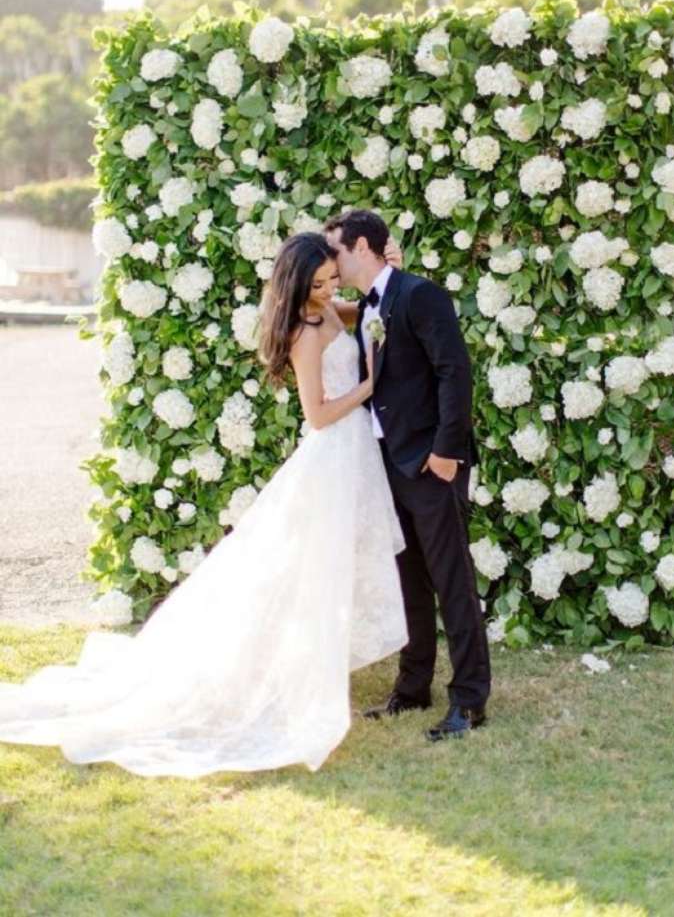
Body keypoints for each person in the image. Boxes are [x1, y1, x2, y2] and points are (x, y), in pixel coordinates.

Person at [0, 233, 409, 777]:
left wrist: (387, 276)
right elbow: (317, 414)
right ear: (296, 286)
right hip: (331, 453)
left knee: (329, 568)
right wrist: (370, 385)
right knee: (307, 571)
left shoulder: (327, 307)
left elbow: (366, 311)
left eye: (332, 279)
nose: (329, 289)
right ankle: (293, 678)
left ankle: (315, 666)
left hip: (353, 454)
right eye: (318, 284)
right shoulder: (305, 332)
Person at [324, 210, 491, 741]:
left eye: (339, 251)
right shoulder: (371, 303)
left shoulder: (420, 296)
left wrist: (446, 453)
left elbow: (454, 371)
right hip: (387, 463)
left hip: (429, 463)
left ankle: (469, 700)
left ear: (366, 247)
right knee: (410, 583)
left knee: (451, 581)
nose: (333, 261)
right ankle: (412, 687)